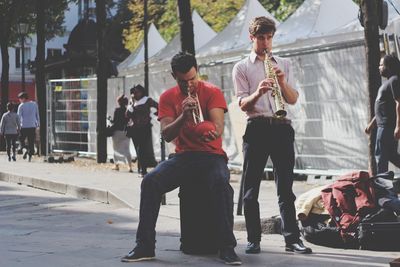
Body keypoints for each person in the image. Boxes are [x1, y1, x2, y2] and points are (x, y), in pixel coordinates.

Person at [121, 52, 241, 265]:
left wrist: (214, 131)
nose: (189, 85)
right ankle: (144, 246)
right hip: (183, 156)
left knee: (221, 184)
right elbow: (166, 134)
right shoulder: (167, 97)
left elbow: (219, 125)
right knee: (150, 182)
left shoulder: (212, 91)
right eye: (183, 81)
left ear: (198, 72)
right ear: (173, 76)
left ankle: (227, 248)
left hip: (212, 156)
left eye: (192, 79)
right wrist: (183, 116)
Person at [232, 16, 312, 254]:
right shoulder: (242, 67)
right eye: (261, 38)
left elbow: (293, 99)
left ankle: (292, 240)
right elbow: (243, 104)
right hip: (256, 127)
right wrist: (257, 92)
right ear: (252, 38)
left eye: (269, 38)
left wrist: (282, 81)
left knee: (285, 188)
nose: (265, 43)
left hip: (281, 126)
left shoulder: (284, 63)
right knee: (250, 189)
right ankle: (253, 239)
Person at [365, 54, 400, 174]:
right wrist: (372, 124)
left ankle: (383, 191)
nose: (379, 67)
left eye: (381, 65)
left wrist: (398, 126)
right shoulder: (388, 82)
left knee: (381, 158)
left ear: (388, 66)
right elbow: (383, 107)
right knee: (391, 155)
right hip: (384, 127)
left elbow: (398, 103)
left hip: (386, 128)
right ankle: (385, 189)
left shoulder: (394, 80)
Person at [126, 84, 158, 177]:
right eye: (133, 92)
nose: (135, 94)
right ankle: (141, 169)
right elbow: (127, 115)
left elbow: (158, 106)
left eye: (137, 92)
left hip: (145, 128)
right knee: (138, 149)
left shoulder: (147, 100)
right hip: (134, 129)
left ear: (141, 92)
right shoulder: (132, 102)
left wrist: (154, 115)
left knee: (142, 148)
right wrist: (131, 103)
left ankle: (143, 170)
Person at [110, 95, 133, 172]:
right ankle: (129, 166)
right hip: (126, 131)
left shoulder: (117, 110)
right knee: (127, 149)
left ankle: (116, 165)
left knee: (116, 149)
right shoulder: (128, 110)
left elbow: (115, 122)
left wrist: (111, 121)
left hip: (117, 132)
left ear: (119, 102)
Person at [17, 92, 40, 162]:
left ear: (23, 98)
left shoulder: (21, 106)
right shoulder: (34, 104)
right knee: (31, 141)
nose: (19, 100)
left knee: (21, 140)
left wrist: (18, 126)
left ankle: (25, 149)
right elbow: (37, 114)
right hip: (32, 125)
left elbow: (18, 117)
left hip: (23, 126)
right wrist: (38, 123)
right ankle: (29, 157)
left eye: (20, 99)